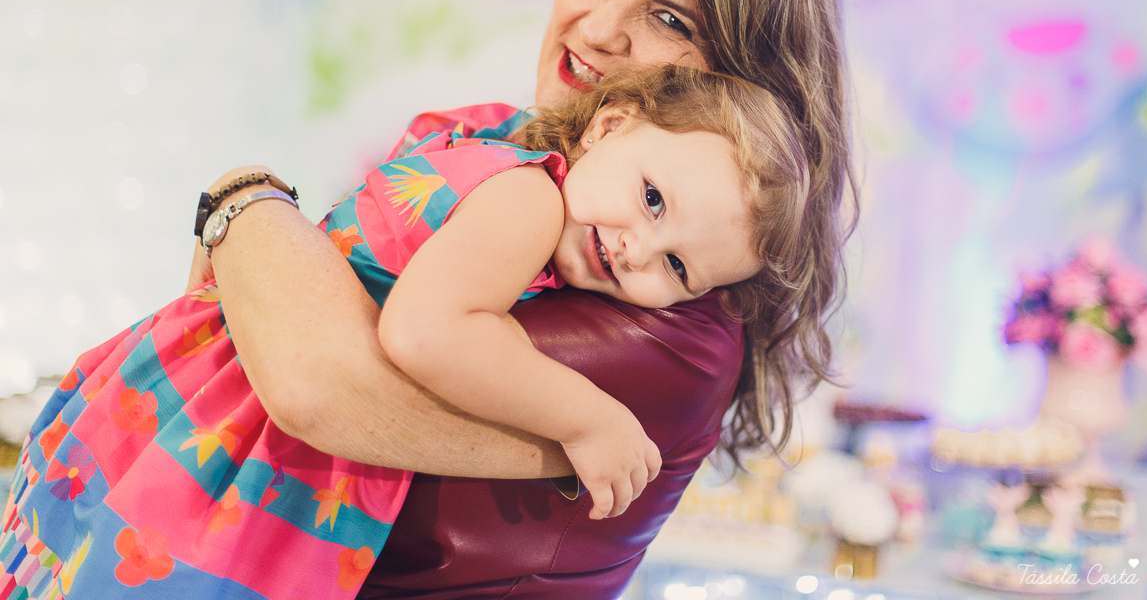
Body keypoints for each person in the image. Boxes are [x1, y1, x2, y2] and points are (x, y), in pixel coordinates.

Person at [1, 66, 810, 600]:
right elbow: (426, 333)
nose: (638, 244)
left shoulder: (479, 143)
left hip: (189, 383)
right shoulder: (527, 202)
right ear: (607, 129)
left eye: (676, 269)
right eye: (654, 199)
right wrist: (585, 417)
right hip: (238, 434)